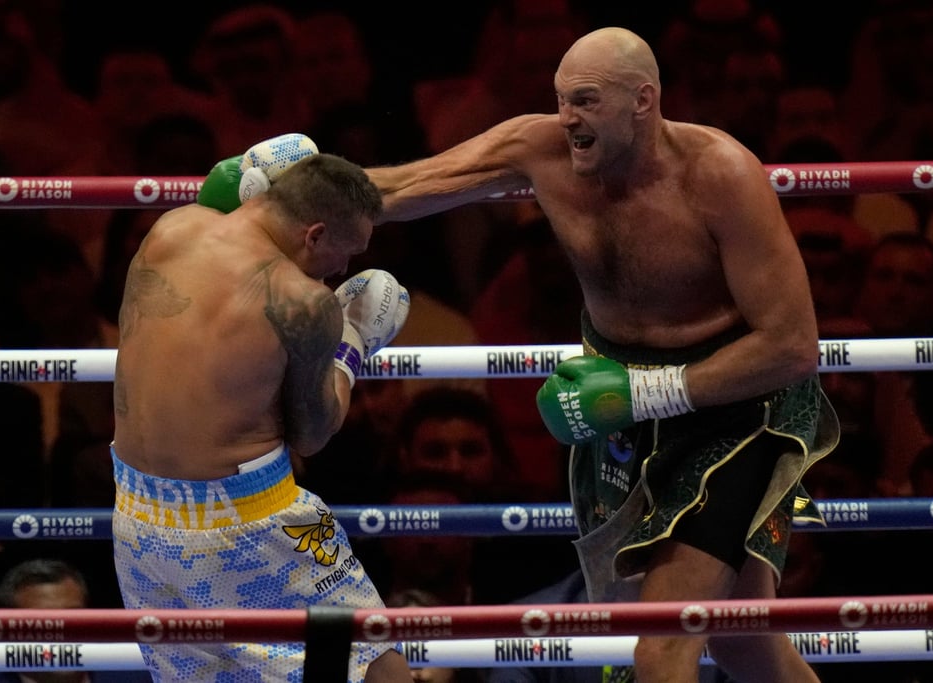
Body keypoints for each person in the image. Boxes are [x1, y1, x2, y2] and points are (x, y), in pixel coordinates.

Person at [364, 26, 838, 683]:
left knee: (660, 646)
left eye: (584, 100)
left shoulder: (720, 173)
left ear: (643, 101)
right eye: (560, 100)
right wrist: (283, 187)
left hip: (738, 414)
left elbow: (792, 345)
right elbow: (405, 186)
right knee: (743, 638)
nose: (567, 118)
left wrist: (646, 393)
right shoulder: (542, 147)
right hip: (626, 405)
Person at [109, 136, 413, 683]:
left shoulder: (170, 229)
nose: (344, 268)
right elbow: (312, 433)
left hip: (136, 520)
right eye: (346, 253)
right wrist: (352, 346)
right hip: (245, 522)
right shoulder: (302, 301)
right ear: (314, 233)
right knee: (381, 669)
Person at [0, 557, 153, 683]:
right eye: (43, 622)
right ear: (8, 631)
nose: (61, 634)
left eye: (71, 618)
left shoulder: (138, 677)